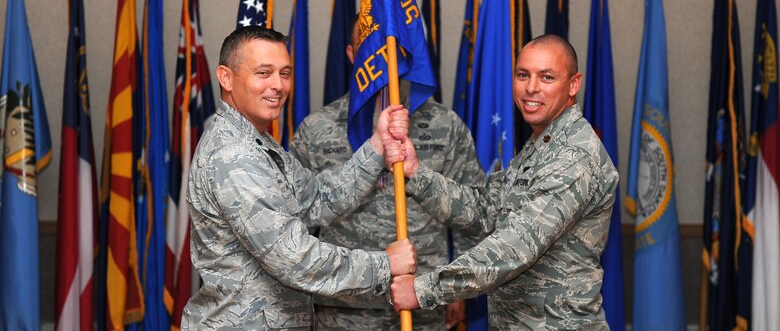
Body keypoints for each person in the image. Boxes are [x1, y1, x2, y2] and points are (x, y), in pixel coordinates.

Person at [182, 26, 417, 330]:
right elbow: (295, 260)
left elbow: (318, 199)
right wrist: (384, 266)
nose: (277, 85)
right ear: (226, 77)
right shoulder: (233, 156)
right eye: (263, 73)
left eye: (285, 73)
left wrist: (376, 146)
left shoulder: (257, 141)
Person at [387, 34, 619, 329]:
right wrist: (416, 174)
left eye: (547, 77)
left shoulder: (574, 156)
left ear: (574, 84)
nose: (531, 87)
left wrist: (423, 290)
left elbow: (515, 247)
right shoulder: (541, 145)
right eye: (523, 75)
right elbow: (485, 208)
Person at [290, 20, 486, 331]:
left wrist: (457, 287)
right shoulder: (317, 129)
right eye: (371, 48)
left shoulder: (445, 124)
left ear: (404, 53)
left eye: (389, 49)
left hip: (424, 301)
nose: (382, 56)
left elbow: (471, 213)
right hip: (343, 308)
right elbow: (297, 223)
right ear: (353, 54)